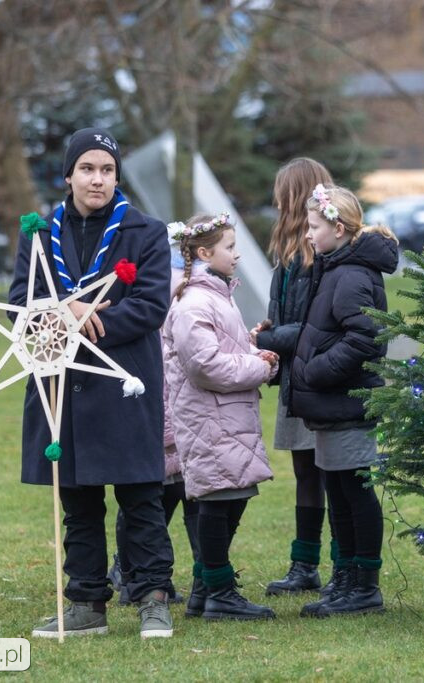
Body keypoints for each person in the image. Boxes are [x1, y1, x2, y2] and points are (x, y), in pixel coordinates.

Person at [9, 127, 174, 639]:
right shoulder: (39, 232)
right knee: (77, 500)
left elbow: (150, 305)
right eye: (87, 168)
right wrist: (64, 312)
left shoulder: (145, 231)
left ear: (116, 177)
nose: (97, 179)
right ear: (68, 175)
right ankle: (85, 602)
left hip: (124, 381)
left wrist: (91, 323)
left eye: (106, 170)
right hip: (61, 382)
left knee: (141, 497)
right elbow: (20, 300)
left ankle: (152, 598)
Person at [289, 184, 398, 618]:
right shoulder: (335, 266)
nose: (308, 235)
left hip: (348, 404)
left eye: (314, 226)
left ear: (338, 226)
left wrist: (316, 372)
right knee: (338, 490)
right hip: (333, 408)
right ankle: (346, 576)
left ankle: (365, 585)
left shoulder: (351, 275)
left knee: (354, 492)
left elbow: (365, 339)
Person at [166, 213, 279, 620]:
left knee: (232, 499)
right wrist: (260, 369)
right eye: (229, 247)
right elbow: (205, 365)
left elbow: (226, 348)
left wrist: (254, 354)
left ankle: (204, 589)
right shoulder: (194, 301)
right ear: (203, 252)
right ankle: (218, 591)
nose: (237, 254)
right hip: (209, 419)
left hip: (228, 418)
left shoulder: (217, 296)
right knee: (218, 502)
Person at [253, 158, 340, 596]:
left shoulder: (323, 256)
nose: (276, 200)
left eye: (281, 192)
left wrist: (276, 338)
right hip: (295, 379)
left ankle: (345, 566)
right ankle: (304, 564)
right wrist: (267, 332)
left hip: (319, 379)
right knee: (306, 474)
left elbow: (316, 324)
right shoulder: (287, 254)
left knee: (334, 474)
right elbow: (287, 316)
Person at [108, 229, 200, 607]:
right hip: (167, 411)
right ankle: (139, 574)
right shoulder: (180, 292)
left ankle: (129, 571)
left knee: (152, 498)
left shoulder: (167, 288)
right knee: (153, 499)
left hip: (162, 409)